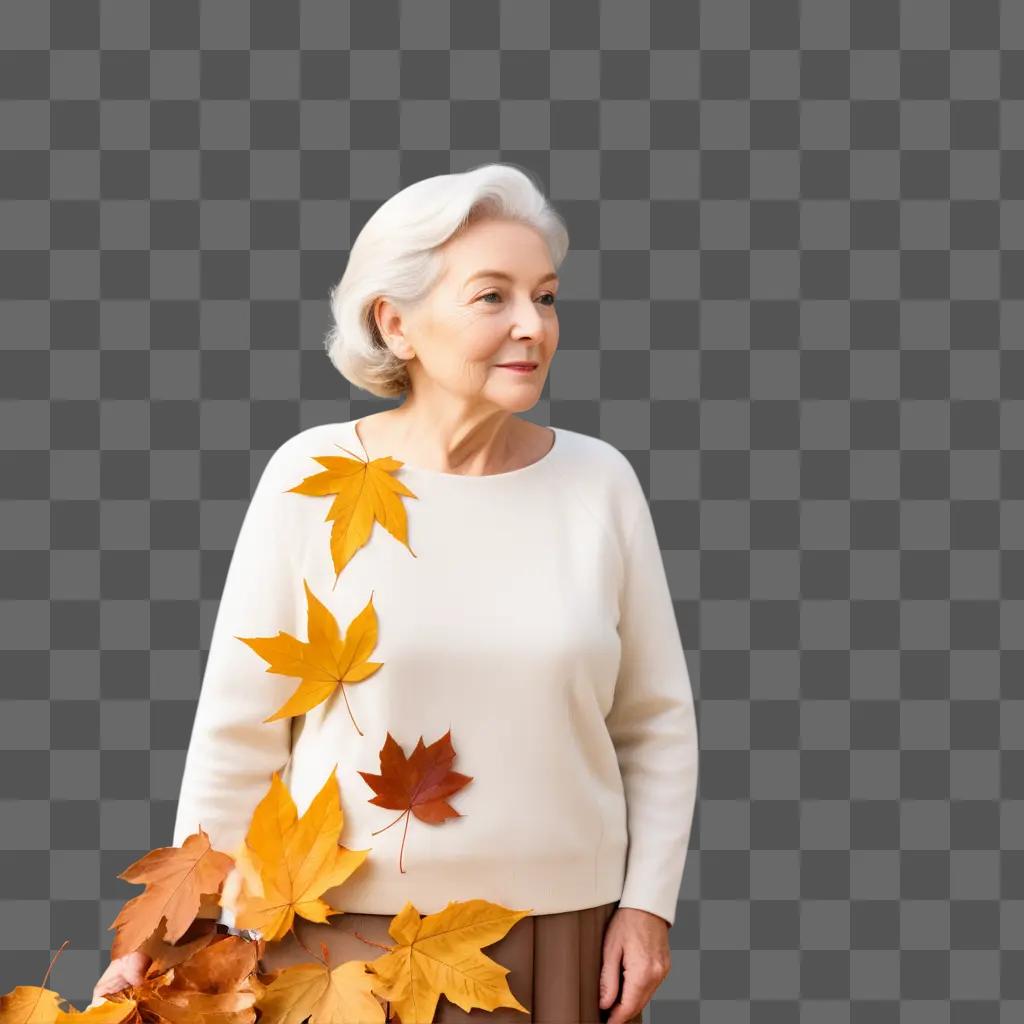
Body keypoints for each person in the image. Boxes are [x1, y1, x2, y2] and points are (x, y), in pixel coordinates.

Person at [93, 163, 699, 1023]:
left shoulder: (599, 482)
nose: (533, 325)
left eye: (547, 296)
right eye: (493, 297)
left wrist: (647, 904)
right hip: (328, 942)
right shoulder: (313, 475)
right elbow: (238, 731)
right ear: (396, 322)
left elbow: (655, 724)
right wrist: (170, 945)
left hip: (564, 937)